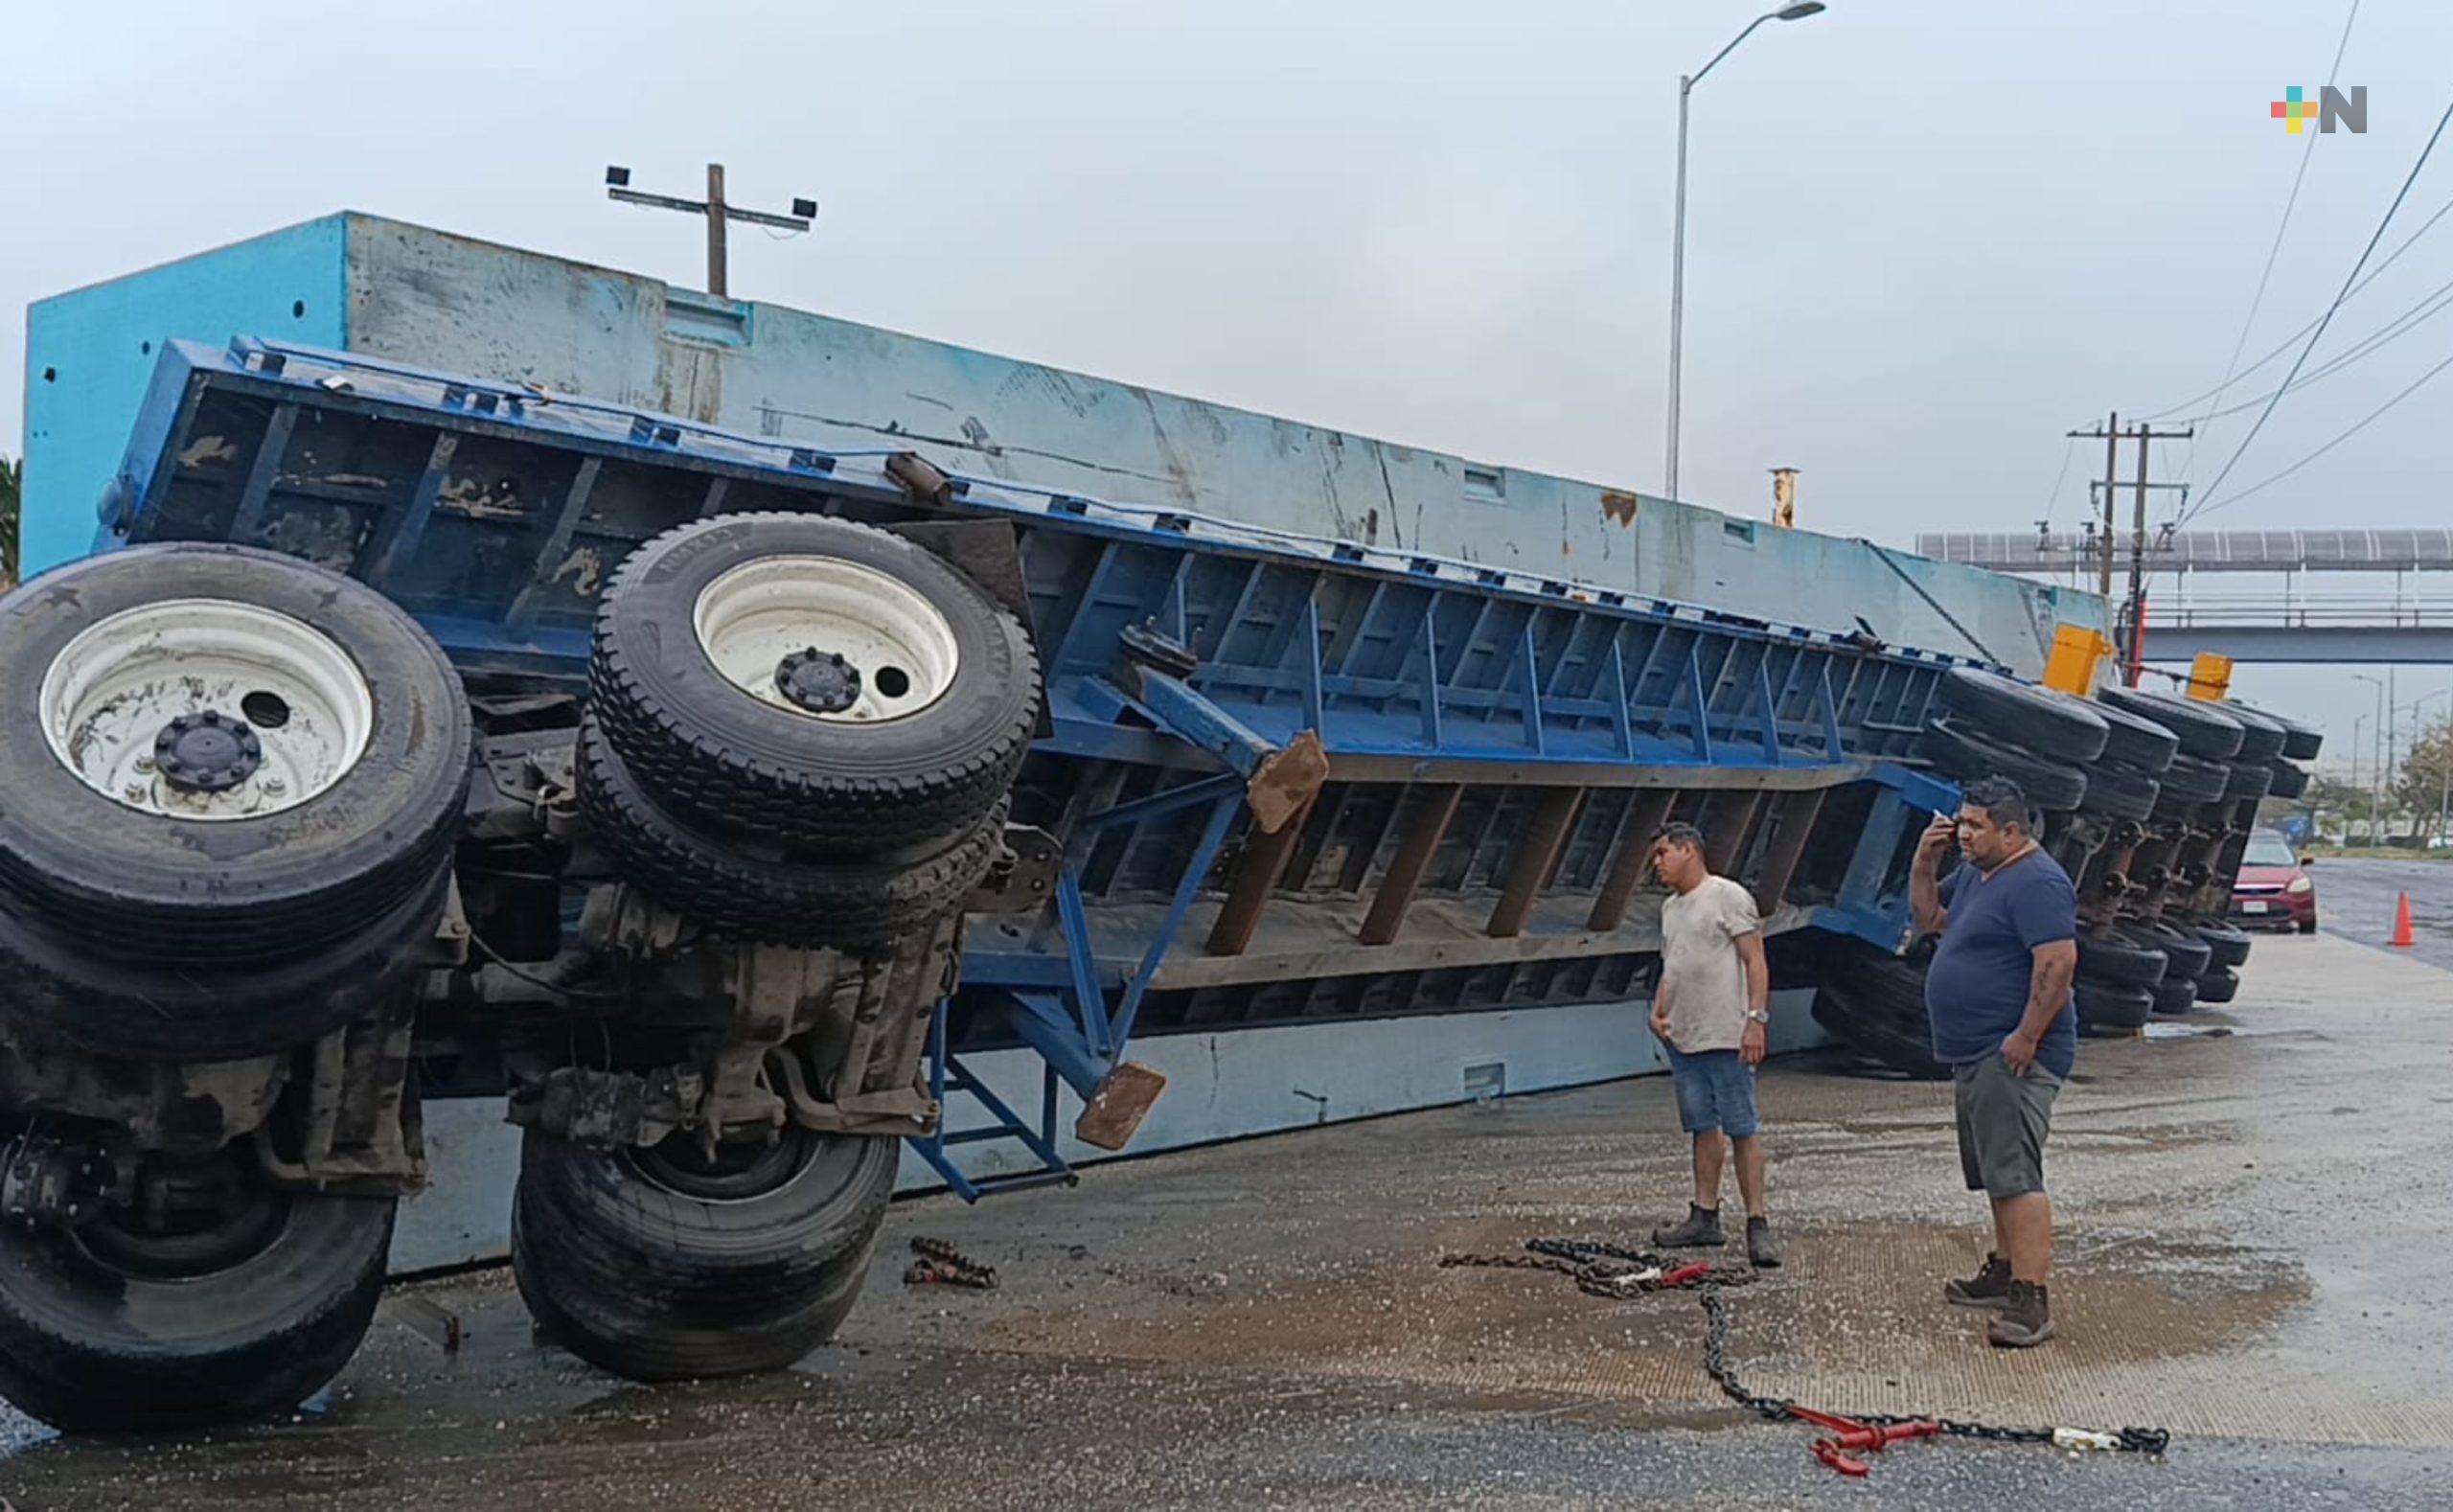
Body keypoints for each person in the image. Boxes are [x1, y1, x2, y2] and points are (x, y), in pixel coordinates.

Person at [1910, 776, 2077, 1348]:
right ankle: (2004, 1273)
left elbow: (2056, 963)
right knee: (1995, 1175)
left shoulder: (2037, 882)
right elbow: (1931, 920)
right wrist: (1923, 863)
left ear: (2011, 830)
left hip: (2012, 1052)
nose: (1963, 833)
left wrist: (2027, 1036)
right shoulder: (1983, 875)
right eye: (1961, 822)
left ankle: (2030, 1301)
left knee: (2016, 1177)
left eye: (1975, 825)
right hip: (1976, 1049)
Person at [1646, 821, 1779, 1268]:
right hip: (1685, 1036)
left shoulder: (1728, 896)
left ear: (1689, 850)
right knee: (1702, 1125)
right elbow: (1674, 963)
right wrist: (1658, 1007)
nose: (1657, 863)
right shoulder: (1670, 908)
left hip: (1726, 1034)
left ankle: (1757, 1223)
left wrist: (1755, 1021)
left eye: (1664, 853)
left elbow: (1755, 961)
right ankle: (1705, 1214)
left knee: (1742, 1125)